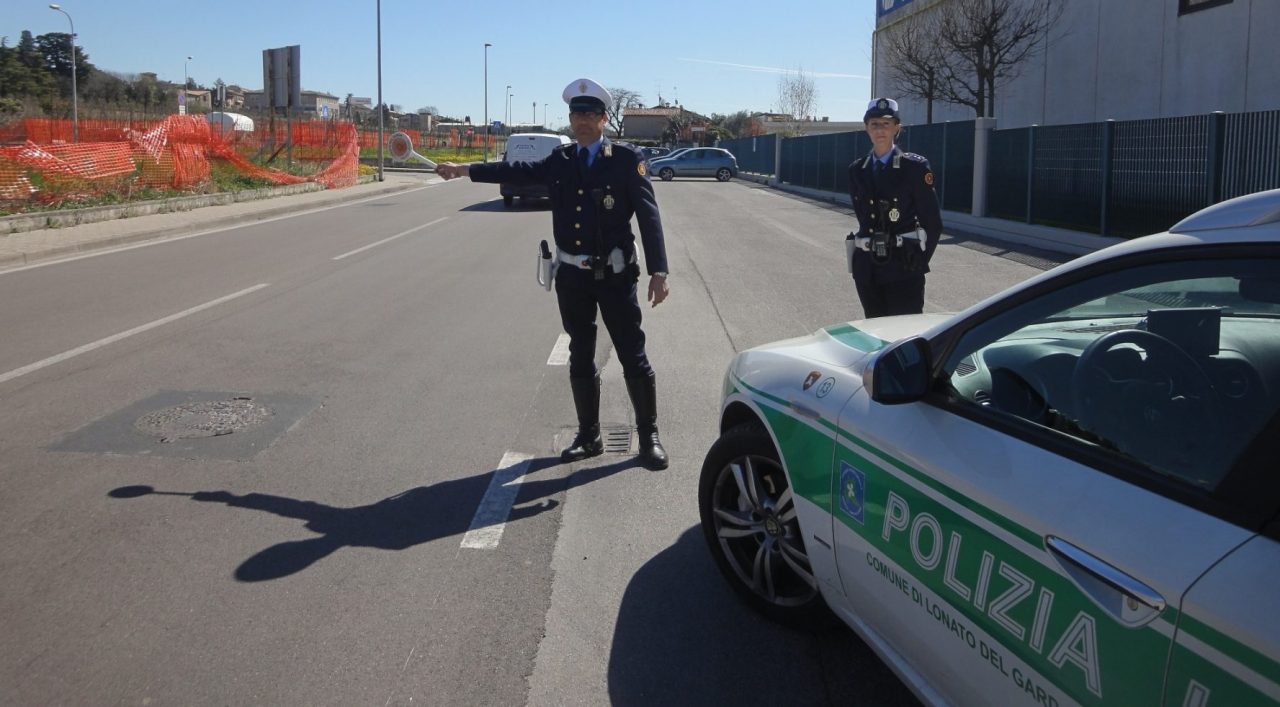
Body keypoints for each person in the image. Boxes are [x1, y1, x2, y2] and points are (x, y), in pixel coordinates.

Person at [437, 78, 671, 470]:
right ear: (570, 118)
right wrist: (464, 169)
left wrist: (658, 271)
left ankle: (648, 435)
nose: (581, 121)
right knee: (580, 353)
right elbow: (516, 169)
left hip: (615, 277)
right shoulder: (561, 161)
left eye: (590, 114)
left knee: (632, 353)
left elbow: (649, 216)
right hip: (573, 277)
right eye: (576, 114)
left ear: (603, 119)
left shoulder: (627, 160)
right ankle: (589, 434)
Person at [846, 97, 943, 318]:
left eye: (886, 124)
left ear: (897, 127)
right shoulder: (856, 170)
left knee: (904, 338)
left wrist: (918, 261)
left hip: (903, 268)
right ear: (866, 128)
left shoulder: (914, 168)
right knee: (874, 334)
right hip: (868, 269)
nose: (880, 130)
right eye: (874, 124)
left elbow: (933, 223)